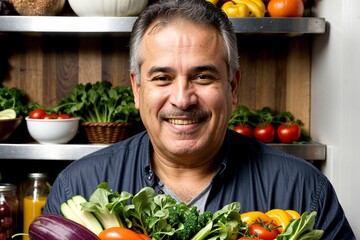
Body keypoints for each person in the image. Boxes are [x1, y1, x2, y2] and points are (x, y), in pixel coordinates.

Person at [43, 0, 355, 238]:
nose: (182, 98)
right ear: (137, 90)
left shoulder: (304, 191)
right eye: (162, 78)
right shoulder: (77, 187)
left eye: (203, 76)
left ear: (232, 87)